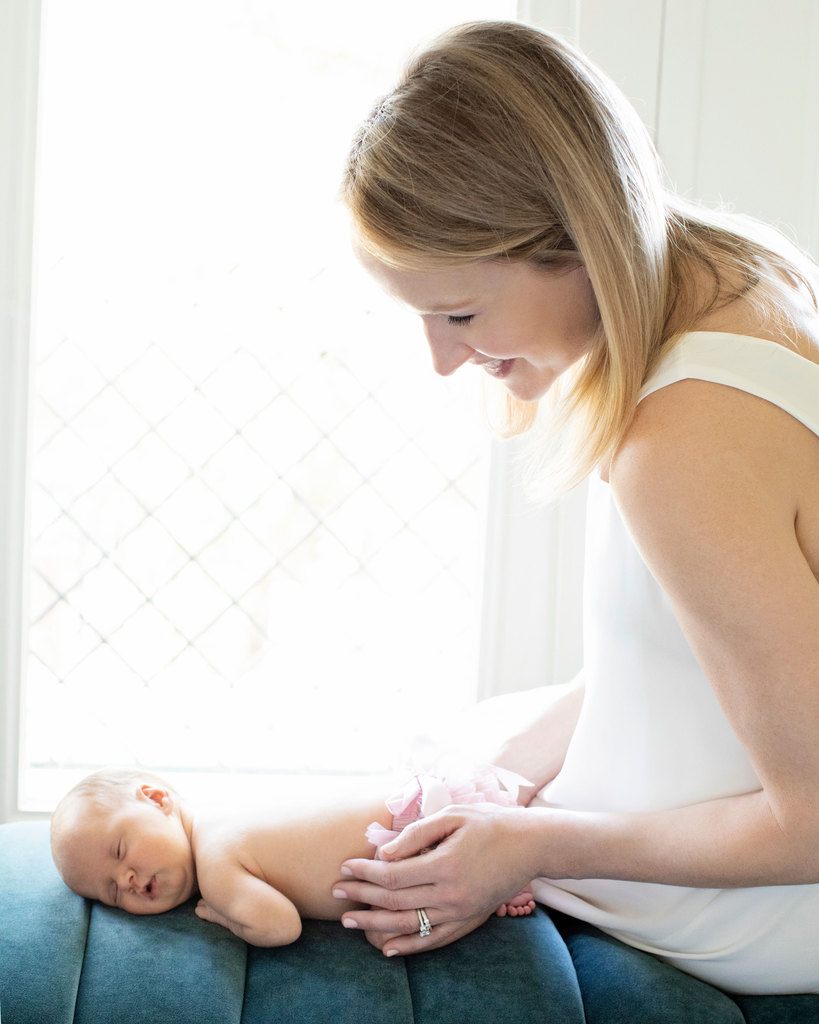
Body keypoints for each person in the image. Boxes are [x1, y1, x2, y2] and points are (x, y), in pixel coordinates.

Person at [334, 19, 819, 994]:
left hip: (764, 903)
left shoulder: (680, 444)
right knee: (459, 763)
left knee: (356, 851)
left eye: (460, 313)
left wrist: (529, 842)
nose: (442, 357)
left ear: (570, 239)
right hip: (713, 823)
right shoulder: (736, 273)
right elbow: (711, 655)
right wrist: (513, 769)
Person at [49, 761, 536, 946]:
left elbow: (281, 927)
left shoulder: (217, 862)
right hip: (416, 803)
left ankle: (499, 884)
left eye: (120, 850)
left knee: (383, 932)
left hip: (412, 845)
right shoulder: (229, 810)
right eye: (113, 892)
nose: (130, 879)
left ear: (158, 800)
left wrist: (226, 915)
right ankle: (506, 871)